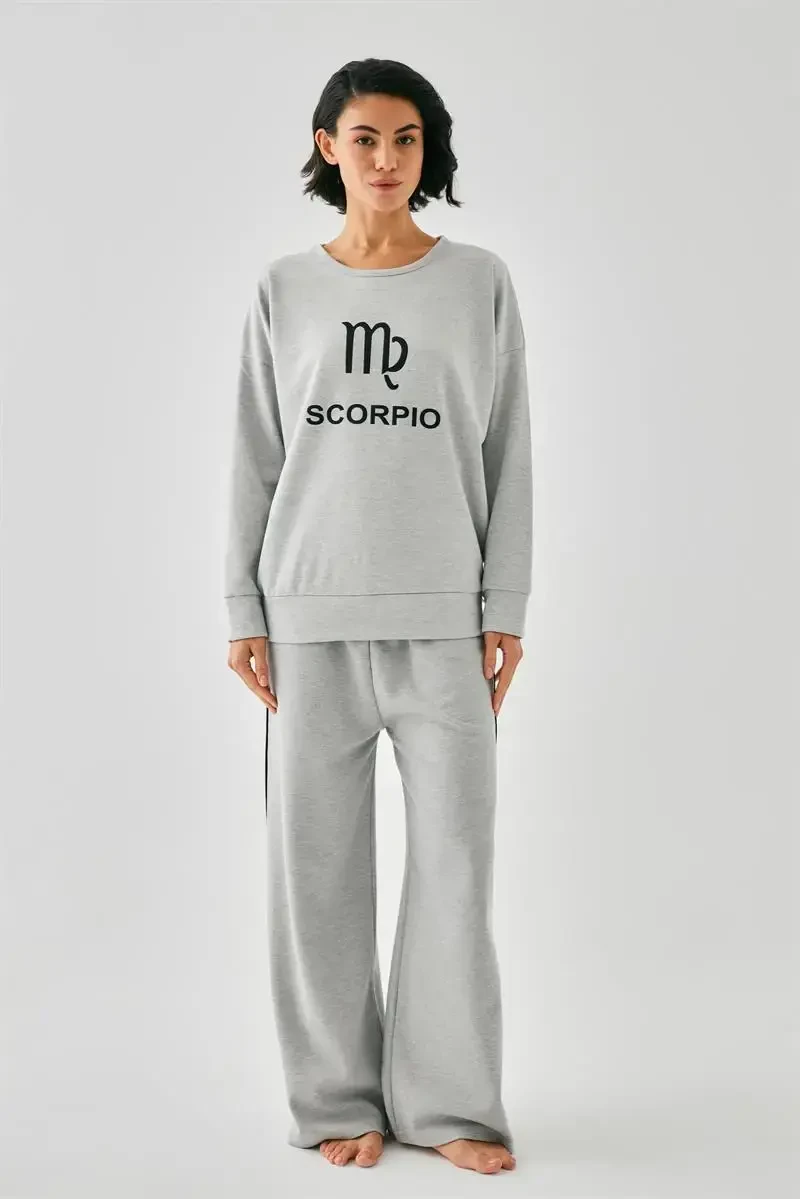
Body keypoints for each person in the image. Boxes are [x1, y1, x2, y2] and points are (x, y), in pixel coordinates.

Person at [223, 58, 532, 1176]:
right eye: (365, 138)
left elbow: (508, 448)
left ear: (426, 149)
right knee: (314, 876)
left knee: (455, 866)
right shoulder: (283, 290)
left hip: (445, 623)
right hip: (306, 620)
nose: (388, 159)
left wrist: (504, 603)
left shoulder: (478, 282)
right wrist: (241, 605)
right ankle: (334, 1100)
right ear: (328, 147)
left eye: (406, 139)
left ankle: (448, 1103)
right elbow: (256, 456)